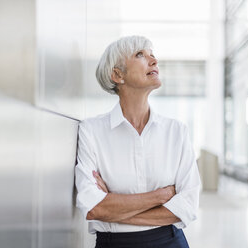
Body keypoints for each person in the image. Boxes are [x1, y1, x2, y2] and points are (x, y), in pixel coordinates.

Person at [75, 36, 201, 248]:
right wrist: (162, 195)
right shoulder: (92, 131)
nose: (153, 61)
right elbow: (93, 207)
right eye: (140, 55)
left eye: (152, 55)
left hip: (170, 241)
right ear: (118, 75)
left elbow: (188, 206)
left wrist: (114, 207)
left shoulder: (177, 131)